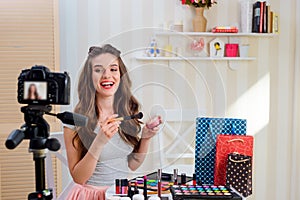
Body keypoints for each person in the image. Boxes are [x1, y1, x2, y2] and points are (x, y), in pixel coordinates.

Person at [64, 44, 162, 199]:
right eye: (98, 70)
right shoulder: (75, 121)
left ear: (121, 75)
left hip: (121, 194)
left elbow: (132, 165)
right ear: (89, 77)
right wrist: (99, 142)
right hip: (91, 195)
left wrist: (145, 137)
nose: (107, 75)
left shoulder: (128, 113)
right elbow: (78, 178)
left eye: (113, 69)